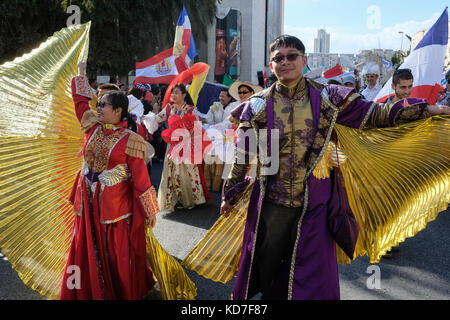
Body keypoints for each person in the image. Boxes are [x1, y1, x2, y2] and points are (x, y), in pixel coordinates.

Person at [217, 35, 450, 300]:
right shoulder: (256, 106)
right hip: (270, 206)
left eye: (291, 56)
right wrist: (230, 195)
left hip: (315, 205)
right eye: (278, 58)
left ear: (304, 61)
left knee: (312, 278)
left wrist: (430, 110)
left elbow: (377, 115)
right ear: (271, 65)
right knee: (268, 271)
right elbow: (243, 154)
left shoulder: (329, 97)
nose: (285, 62)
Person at [60, 63, 157, 299]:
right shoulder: (92, 127)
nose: (99, 107)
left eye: (104, 105)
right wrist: (81, 76)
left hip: (113, 209)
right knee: (83, 247)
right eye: (99, 103)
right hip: (86, 200)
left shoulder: (131, 140)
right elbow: (81, 103)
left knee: (114, 253)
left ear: (118, 111)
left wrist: (150, 210)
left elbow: (141, 180)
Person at [154, 83, 211, 212]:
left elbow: (196, 128)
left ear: (184, 95)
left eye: (176, 93)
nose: (173, 95)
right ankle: (174, 199)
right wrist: (148, 116)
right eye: (172, 93)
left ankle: (193, 199)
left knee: (189, 171)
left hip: (187, 144)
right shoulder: (169, 108)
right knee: (172, 171)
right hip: (172, 143)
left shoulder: (191, 109)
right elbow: (157, 119)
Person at [202, 88, 236, 192]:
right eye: (220, 96)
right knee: (210, 158)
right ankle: (209, 183)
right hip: (215, 136)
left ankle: (219, 185)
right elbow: (209, 119)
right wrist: (207, 116)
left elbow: (229, 124)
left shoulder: (234, 107)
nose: (220, 98)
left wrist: (214, 128)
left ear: (229, 98)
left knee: (222, 160)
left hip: (229, 136)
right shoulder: (215, 105)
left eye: (223, 96)